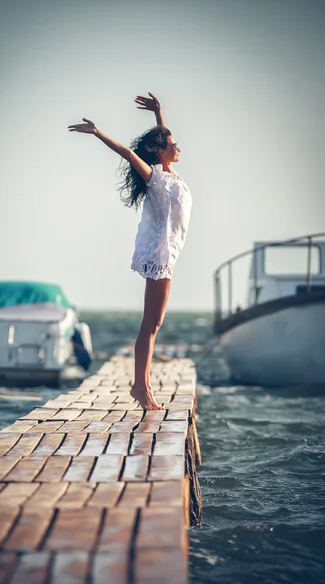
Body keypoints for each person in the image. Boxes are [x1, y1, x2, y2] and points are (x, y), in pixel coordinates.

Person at [68, 93, 192, 410]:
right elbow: (127, 153)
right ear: (158, 151)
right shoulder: (155, 178)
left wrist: (160, 114)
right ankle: (141, 387)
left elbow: (162, 142)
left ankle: (142, 385)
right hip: (159, 255)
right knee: (150, 324)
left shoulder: (168, 173)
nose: (178, 148)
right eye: (173, 144)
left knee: (153, 323)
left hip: (167, 254)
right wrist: (98, 133)